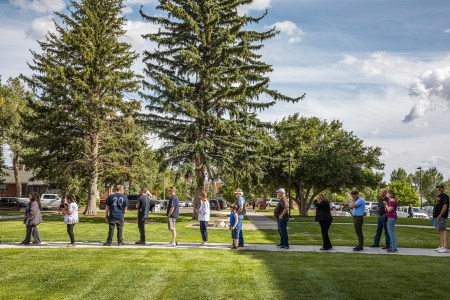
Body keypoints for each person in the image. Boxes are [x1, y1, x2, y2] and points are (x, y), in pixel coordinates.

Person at [433, 184, 449, 253]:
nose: (439, 189)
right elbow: (436, 206)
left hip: (441, 216)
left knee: (443, 230)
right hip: (437, 216)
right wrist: (433, 215)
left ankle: (445, 247)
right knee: (440, 230)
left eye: (440, 188)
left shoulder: (445, 196)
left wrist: (439, 216)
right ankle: (442, 246)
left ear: (443, 189)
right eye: (438, 188)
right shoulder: (438, 197)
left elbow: (445, 207)